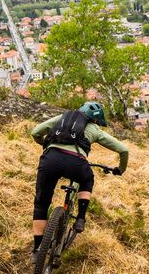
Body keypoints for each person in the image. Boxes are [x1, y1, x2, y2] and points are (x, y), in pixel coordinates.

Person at [29, 101, 129, 260]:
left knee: (41, 203)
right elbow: (123, 149)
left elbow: (35, 132)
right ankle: (81, 218)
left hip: (49, 159)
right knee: (87, 179)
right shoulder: (94, 129)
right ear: (95, 120)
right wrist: (120, 169)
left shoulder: (62, 118)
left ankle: (37, 250)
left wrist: (48, 145)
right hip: (75, 163)